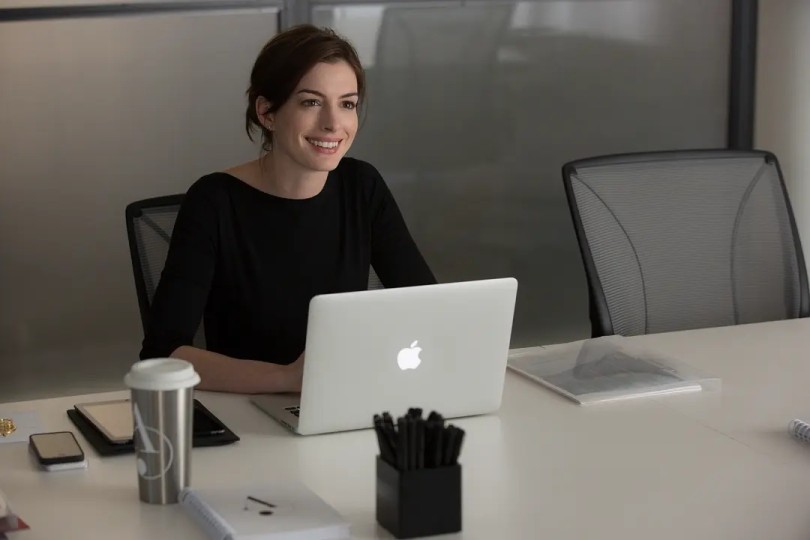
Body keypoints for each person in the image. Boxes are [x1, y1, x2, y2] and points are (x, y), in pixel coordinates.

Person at [139, 25, 436, 393]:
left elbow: (429, 307)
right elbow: (163, 354)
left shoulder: (362, 185)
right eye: (311, 102)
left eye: (347, 104)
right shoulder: (213, 201)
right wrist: (287, 378)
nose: (333, 124)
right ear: (267, 112)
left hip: (343, 396)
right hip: (246, 407)